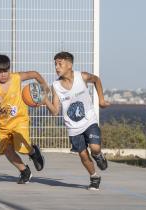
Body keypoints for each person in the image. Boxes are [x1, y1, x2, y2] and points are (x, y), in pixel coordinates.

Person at [44, 51, 109, 190]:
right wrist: (44, 101)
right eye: (55, 64)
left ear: (69, 65)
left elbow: (96, 79)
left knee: (95, 148)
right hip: (73, 127)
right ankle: (94, 177)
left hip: (89, 120)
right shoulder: (55, 86)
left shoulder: (82, 76)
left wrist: (101, 100)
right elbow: (55, 111)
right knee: (84, 156)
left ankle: (98, 156)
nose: (56, 67)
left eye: (60, 64)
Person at [0, 55, 47, 184]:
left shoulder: (16, 78)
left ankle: (33, 152)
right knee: (7, 151)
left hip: (20, 118)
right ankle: (24, 171)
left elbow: (35, 74)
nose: (3, 74)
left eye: (6, 71)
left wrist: (44, 86)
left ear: (9, 69)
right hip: (3, 124)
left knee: (21, 147)